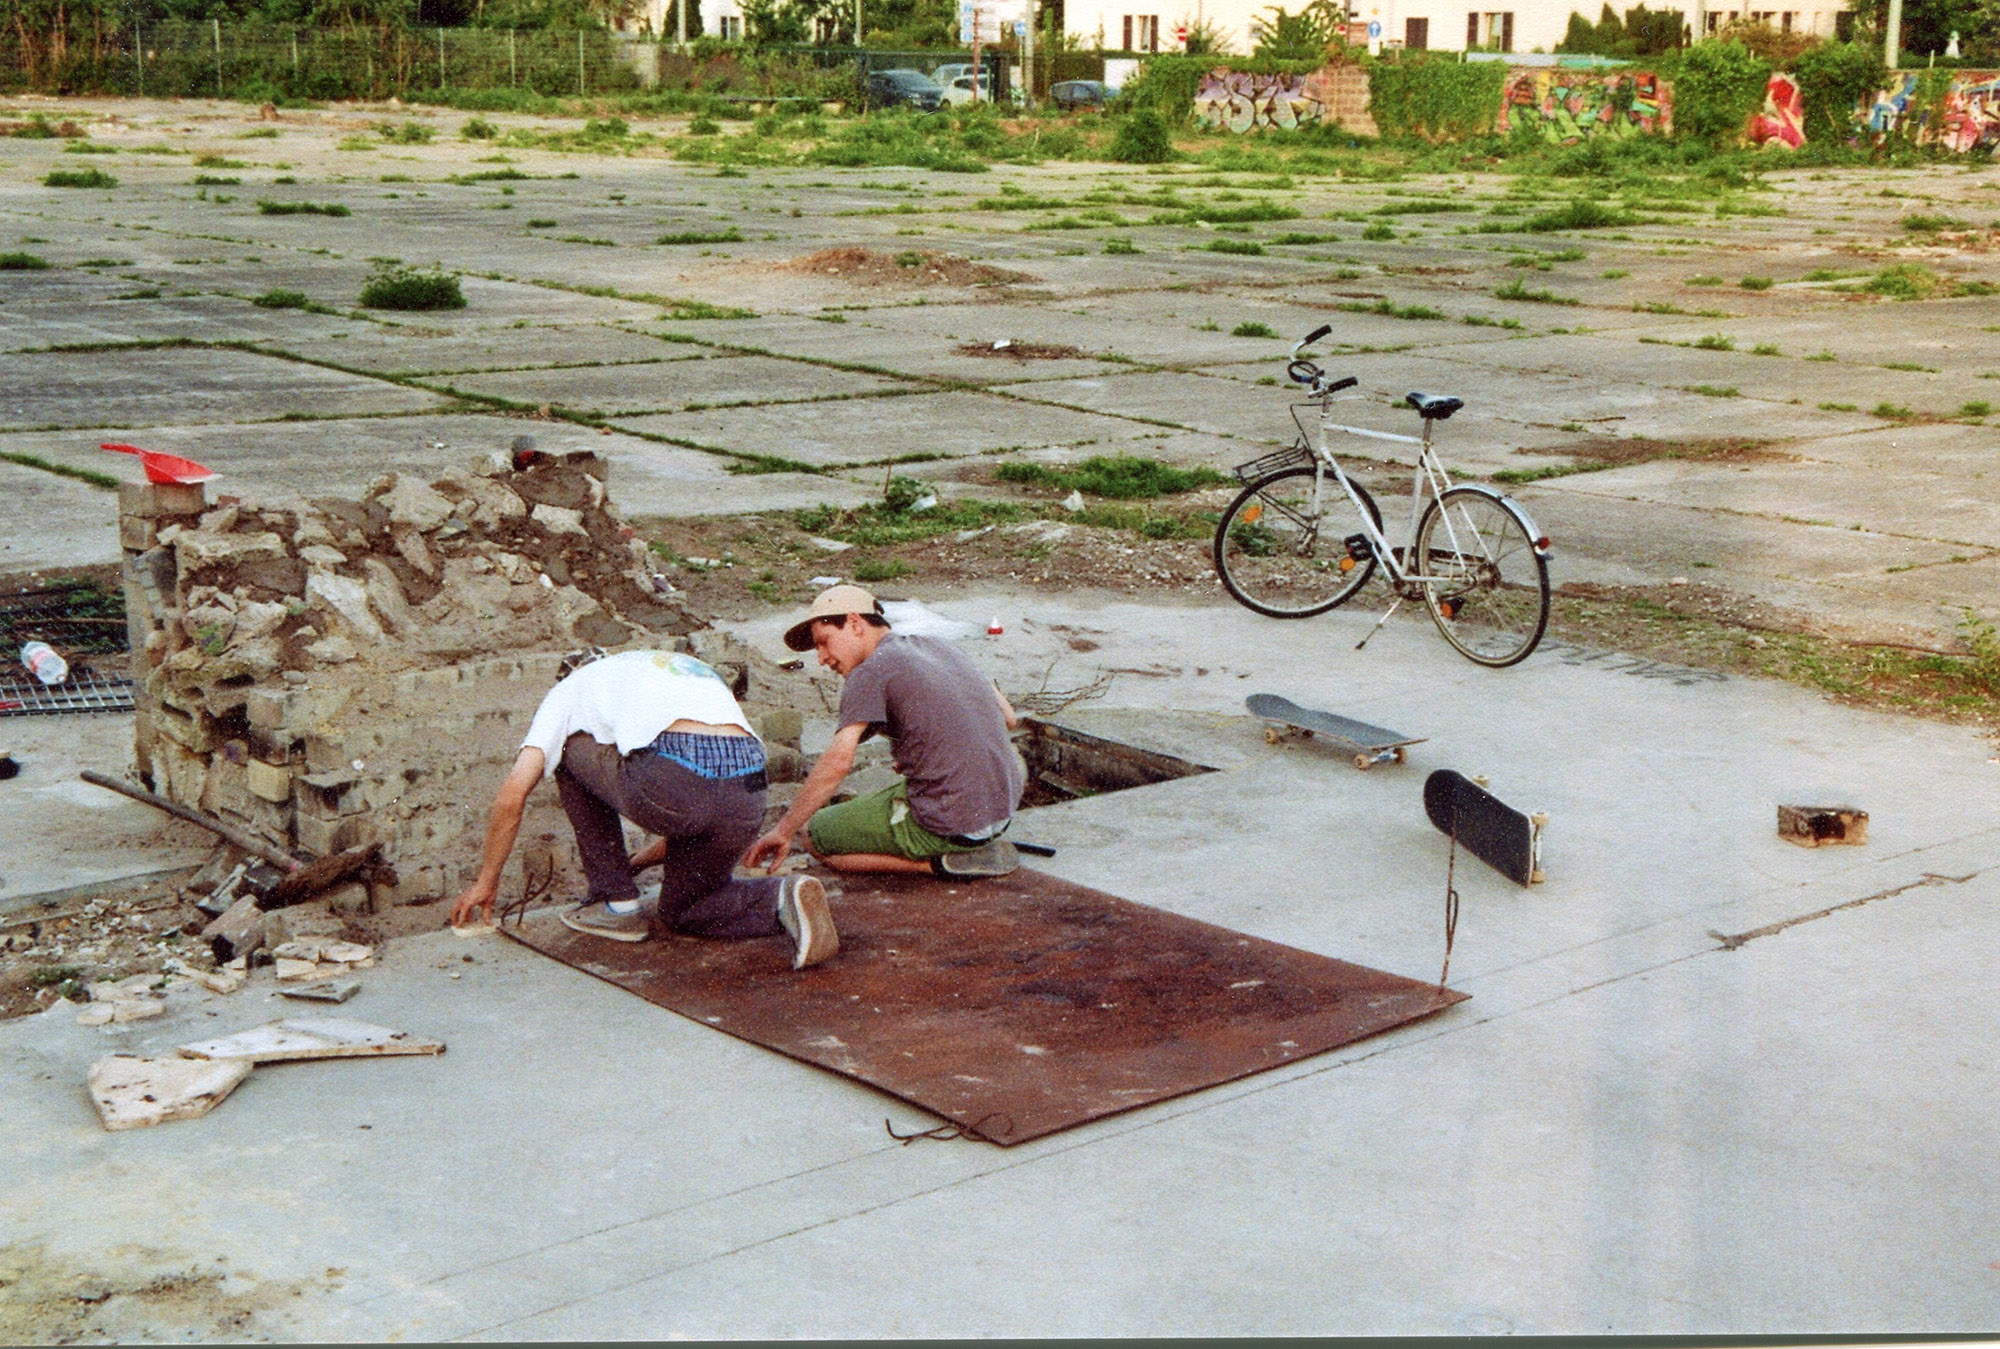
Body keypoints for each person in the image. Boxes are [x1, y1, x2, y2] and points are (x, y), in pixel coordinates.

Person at [448, 647, 838, 969]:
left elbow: (512, 795)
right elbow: (708, 793)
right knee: (686, 909)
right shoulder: (669, 666)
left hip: (677, 780)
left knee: (561, 751)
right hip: (749, 786)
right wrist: (639, 860)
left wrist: (487, 880)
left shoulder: (570, 690)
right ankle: (782, 895)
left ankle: (616, 903)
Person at [745, 586, 1023, 878]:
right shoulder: (941, 645)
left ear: (855, 623)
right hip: (1001, 813)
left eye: (825, 642)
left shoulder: (868, 672)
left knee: (814, 835)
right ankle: (969, 846)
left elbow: (839, 763)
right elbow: (1008, 718)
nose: (822, 658)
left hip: (955, 827)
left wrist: (783, 830)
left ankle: (937, 865)